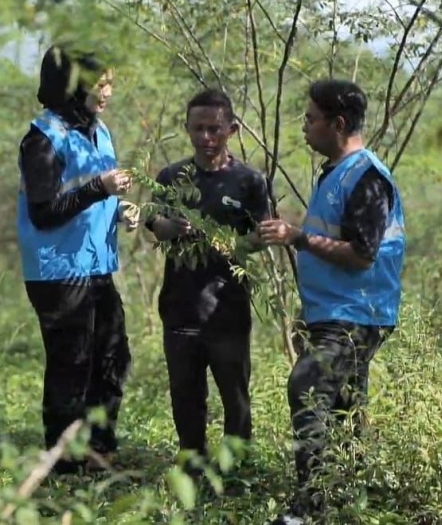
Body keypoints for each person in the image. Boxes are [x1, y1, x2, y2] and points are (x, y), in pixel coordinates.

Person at [257, 79, 405, 524]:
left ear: (337, 124)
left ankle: (309, 508)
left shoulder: (368, 178)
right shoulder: (336, 171)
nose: (305, 127)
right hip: (333, 312)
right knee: (343, 406)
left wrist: (299, 237)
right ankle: (350, 499)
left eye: (311, 119)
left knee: (307, 386)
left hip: (357, 312)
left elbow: (362, 254)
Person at [17, 44, 140, 474]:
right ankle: (65, 465)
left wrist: (118, 209)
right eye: (98, 83)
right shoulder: (43, 139)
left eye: (109, 81)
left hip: (97, 265)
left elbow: (91, 195)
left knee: (111, 358)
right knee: (72, 366)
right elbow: (44, 210)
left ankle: (100, 453)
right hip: (58, 271)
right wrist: (98, 191)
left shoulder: (98, 130)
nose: (107, 91)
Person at [145, 88, 271, 475]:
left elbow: (262, 236)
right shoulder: (171, 177)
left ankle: (237, 471)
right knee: (186, 396)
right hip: (180, 307)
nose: (206, 137)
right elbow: (153, 223)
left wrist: (230, 244)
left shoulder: (249, 181)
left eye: (214, 129)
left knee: (235, 397)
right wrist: (169, 227)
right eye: (198, 129)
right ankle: (192, 467)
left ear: (231, 130)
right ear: (186, 128)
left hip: (228, 309)